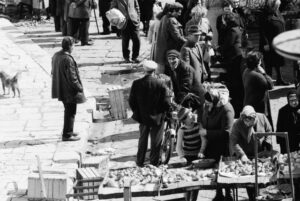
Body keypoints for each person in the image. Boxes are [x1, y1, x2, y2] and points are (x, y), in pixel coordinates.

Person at [129, 60, 172, 167]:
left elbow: (131, 101)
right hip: (158, 117)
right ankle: (154, 162)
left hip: (143, 117)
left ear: (144, 70)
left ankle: (140, 161)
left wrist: (137, 112)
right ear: (155, 70)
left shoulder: (136, 83)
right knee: (156, 141)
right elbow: (166, 102)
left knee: (142, 139)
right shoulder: (161, 83)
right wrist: (166, 112)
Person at [230, 105, 274, 201]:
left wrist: (267, 142)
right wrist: (242, 154)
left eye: (250, 120)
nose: (247, 123)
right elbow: (234, 141)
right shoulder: (237, 124)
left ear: (254, 118)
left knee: (263, 180)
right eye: (245, 120)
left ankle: (262, 196)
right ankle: (251, 197)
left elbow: (269, 130)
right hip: (247, 154)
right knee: (249, 180)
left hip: (262, 153)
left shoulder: (262, 117)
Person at [198, 87, 234, 201]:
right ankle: (219, 194)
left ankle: (228, 195)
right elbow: (205, 118)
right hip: (212, 145)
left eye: (208, 102)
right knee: (215, 171)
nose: (206, 104)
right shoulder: (208, 106)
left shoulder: (226, 109)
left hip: (223, 146)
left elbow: (227, 133)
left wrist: (207, 132)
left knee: (224, 171)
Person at [51, 37, 86, 142]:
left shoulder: (56, 55)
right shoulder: (68, 59)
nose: (74, 47)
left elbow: (52, 71)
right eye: (73, 45)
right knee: (70, 111)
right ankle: (67, 135)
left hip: (61, 88)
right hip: (69, 90)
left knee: (68, 110)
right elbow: (72, 78)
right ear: (70, 46)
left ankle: (69, 130)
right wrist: (79, 88)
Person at [176, 106, 207, 201]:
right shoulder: (181, 130)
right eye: (189, 115)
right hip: (188, 157)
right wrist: (181, 156)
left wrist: (201, 151)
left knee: (196, 181)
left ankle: (194, 199)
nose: (192, 115)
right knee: (187, 181)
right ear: (185, 120)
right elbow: (178, 146)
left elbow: (204, 140)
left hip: (197, 156)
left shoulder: (198, 125)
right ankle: (186, 199)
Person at [219, 12, 244, 117]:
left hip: (233, 60)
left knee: (234, 84)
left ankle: (237, 109)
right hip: (235, 58)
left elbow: (227, 44)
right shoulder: (236, 28)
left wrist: (219, 49)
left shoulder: (232, 30)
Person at [260, 0, 289, 85]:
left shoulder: (277, 12)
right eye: (276, 6)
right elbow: (262, 30)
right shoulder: (264, 14)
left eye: (278, 6)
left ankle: (280, 79)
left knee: (278, 62)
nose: (278, 8)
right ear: (272, 6)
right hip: (269, 42)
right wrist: (265, 43)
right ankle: (269, 83)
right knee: (269, 63)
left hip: (278, 42)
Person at [155, 2, 187, 71]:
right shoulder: (172, 20)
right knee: (170, 70)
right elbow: (177, 37)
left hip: (164, 49)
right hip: (170, 49)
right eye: (179, 11)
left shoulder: (164, 17)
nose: (180, 13)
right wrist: (188, 42)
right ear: (174, 10)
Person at [243, 51, 273, 115]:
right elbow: (271, 85)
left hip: (248, 104)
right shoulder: (257, 76)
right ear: (258, 62)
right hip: (257, 108)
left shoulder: (246, 71)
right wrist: (264, 73)